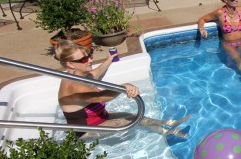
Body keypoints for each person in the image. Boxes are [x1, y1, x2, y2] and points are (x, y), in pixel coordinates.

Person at [55, 40, 190, 138]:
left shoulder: (76, 74)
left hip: (101, 117)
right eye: (84, 59)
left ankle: (168, 123)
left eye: (89, 55)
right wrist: (123, 87)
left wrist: (109, 59)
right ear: (70, 64)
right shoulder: (73, 86)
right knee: (131, 122)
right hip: (89, 129)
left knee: (135, 116)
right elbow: (102, 96)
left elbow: (95, 74)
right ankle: (167, 133)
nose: (90, 60)